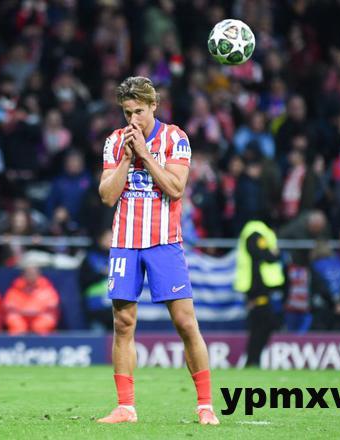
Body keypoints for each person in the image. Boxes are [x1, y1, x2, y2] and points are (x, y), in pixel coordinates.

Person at [97, 76, 218, 425]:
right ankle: (125, 407)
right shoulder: (115, 141)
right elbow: (107, 196)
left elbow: (175, 188)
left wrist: (146, 155)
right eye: (127, 113)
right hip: (125, 243)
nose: (132, 119)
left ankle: (205, 406)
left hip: (164, 242)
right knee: (123, 323)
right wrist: (126, 159)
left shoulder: (175, 138)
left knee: (185, 322)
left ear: (153, 106)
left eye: (138, 111)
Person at [234, 219, 286, 366]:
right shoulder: (256, 233)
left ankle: (253, 360)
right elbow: (264, 255)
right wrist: (275, 254)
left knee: (261, 324)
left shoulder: (253, 231)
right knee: (262, 324)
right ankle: (252, 360)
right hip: (257, 288)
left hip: (258, 288)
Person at [3, 266, 60, 335]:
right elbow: (8, 304)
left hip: (41, 316)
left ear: (39, 275)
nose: (31, 276)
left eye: (33, 274)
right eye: (28, 274)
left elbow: (53, 304)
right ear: (23, 275)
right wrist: (23, 311)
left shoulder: (47, 289)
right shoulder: (15, 289)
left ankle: (43, 342)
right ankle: (16, 342)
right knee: (14, 321)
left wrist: (38, 311)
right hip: (20, 316)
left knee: (42, 324)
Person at [79, 229, 114, 331]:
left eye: (113, 238)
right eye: (108, 238)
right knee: (97, 336)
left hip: (116, 309)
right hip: (96, 308)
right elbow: (84, 280)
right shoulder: (91, 258)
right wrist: (101, 273)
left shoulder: (121, 258)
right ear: (100, 240)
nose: (111, 241)